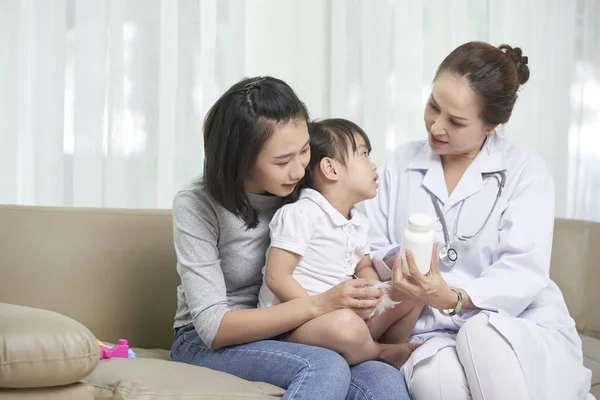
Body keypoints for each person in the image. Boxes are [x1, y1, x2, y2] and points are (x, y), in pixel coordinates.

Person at [365, 41, 594, 400]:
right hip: (429, 329)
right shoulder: (400, 162)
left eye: (455, 121)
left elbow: (523, 269)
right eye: (433, 106)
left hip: (513, 320)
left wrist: (455, 296)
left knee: (480, 335)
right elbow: (373, 246)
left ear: (492, 125)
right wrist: (401, 263)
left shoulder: (524, 171)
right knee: (433, 380)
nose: (436, 127)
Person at [170, 76, 411, 400]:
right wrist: (321, 305)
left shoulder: (305, 192)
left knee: (384, 382)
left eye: (304, 151)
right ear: (240, 161)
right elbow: (214, 328)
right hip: (209, 340)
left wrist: (388, 269)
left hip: (297, 330)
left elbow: (348, 245)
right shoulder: (197, 204)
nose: (299, 170)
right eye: (283, 161)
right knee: (325, 367)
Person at [258, 118, 423, 368]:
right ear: (331, 169)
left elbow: (363, 266)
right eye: (364, 154)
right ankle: (379, 352)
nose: (373, 165)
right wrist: (321, 309)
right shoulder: (302, 214)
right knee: (347, 325)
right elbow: (277, 278)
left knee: (412, 293)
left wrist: (376, 294)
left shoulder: (358, 221)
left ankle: (381, 352)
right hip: (294, 326)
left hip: (345, 317)